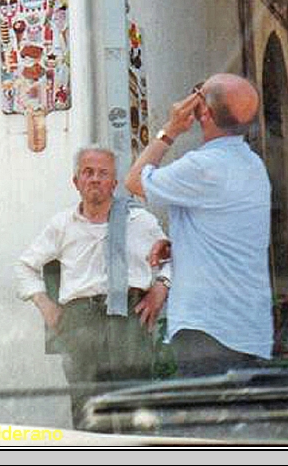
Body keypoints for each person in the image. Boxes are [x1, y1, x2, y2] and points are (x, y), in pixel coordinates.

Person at [124, 74, 273, 376]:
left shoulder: (203, 166)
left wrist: (170, 130)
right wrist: (181, 244)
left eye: (197, 94)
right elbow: (226, 231)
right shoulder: (253, 165)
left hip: (208, 329)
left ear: (204, 111)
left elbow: (134, 181)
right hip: (249, 329)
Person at [15, 147, 171, 425]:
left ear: (114, 182)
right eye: (88, 172)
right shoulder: (62, 224)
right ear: (76, 182)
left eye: (103, 173)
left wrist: (161, 287)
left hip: (129, 321)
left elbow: (173, 258)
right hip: (80, 324)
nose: (95, 179)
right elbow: (25, 266)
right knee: (88, 412)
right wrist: (45, 305)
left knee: (135, 409)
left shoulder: (139, 221)